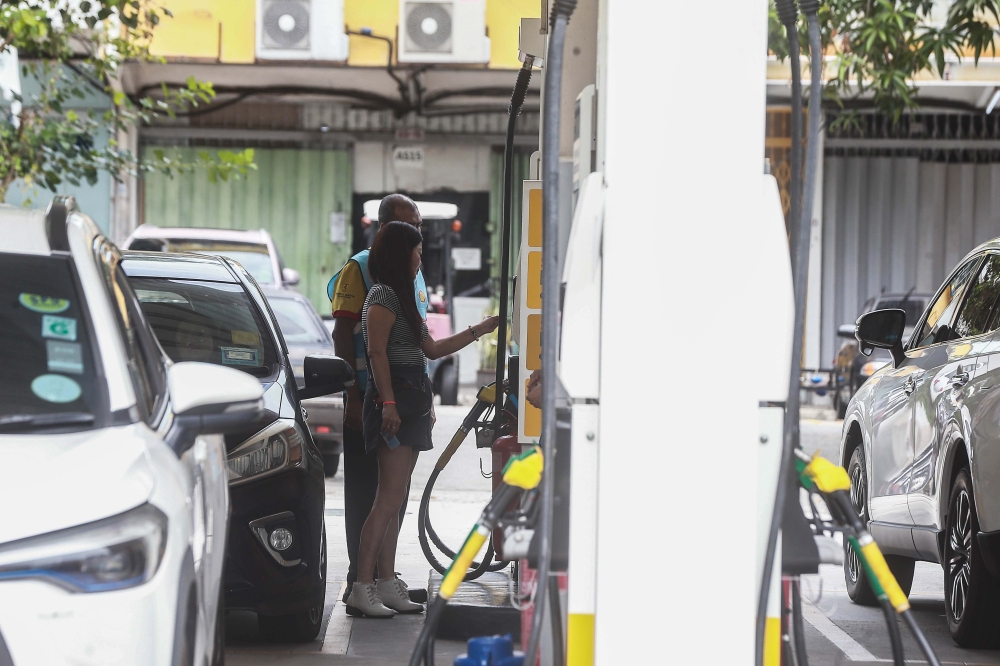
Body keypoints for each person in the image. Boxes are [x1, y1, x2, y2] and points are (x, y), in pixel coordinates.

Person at [345, 222, 499, 617]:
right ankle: (361, 587)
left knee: (396, 501)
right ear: (399, 254)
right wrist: (389, 404)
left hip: (410, 400)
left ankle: (385, 583)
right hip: (395, 401)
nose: (420, 258)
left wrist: (480, 330)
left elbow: (430, 348)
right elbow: (377, 354)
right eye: (415, 252)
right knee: (387, 500)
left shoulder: (403, 296)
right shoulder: (381, 295)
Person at [327, 194, 431, 606]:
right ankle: (361, 577)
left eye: (419, 225)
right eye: (409, 225)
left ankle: (384, 578)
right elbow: (343, 337)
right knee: (370, 494)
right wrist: (353, 393)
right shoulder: (361, 269)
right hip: (375, 397)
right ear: (385, 229)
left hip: (408, 396)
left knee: (395, 493)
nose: (416, 234)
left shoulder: (412, 269)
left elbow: (422, 344)